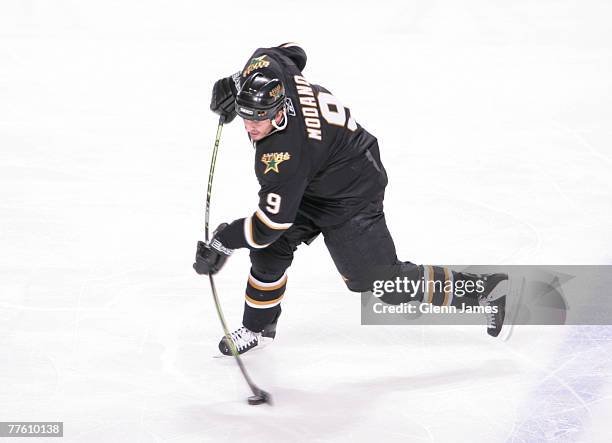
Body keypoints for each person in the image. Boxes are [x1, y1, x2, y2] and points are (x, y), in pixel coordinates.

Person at [194, 43, 508, 355]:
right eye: (245, 114)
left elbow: (271, 224)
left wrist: (225, 240)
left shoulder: (283, 155)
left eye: (258, 118)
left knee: (380, 281)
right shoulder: (272, 71)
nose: (250, 125)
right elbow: (293, 52)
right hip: (317, 174)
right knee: (269, 253)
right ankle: (258, 326)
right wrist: (234, 83)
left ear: (278, 113)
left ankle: (485, 290)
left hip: (350, 189)